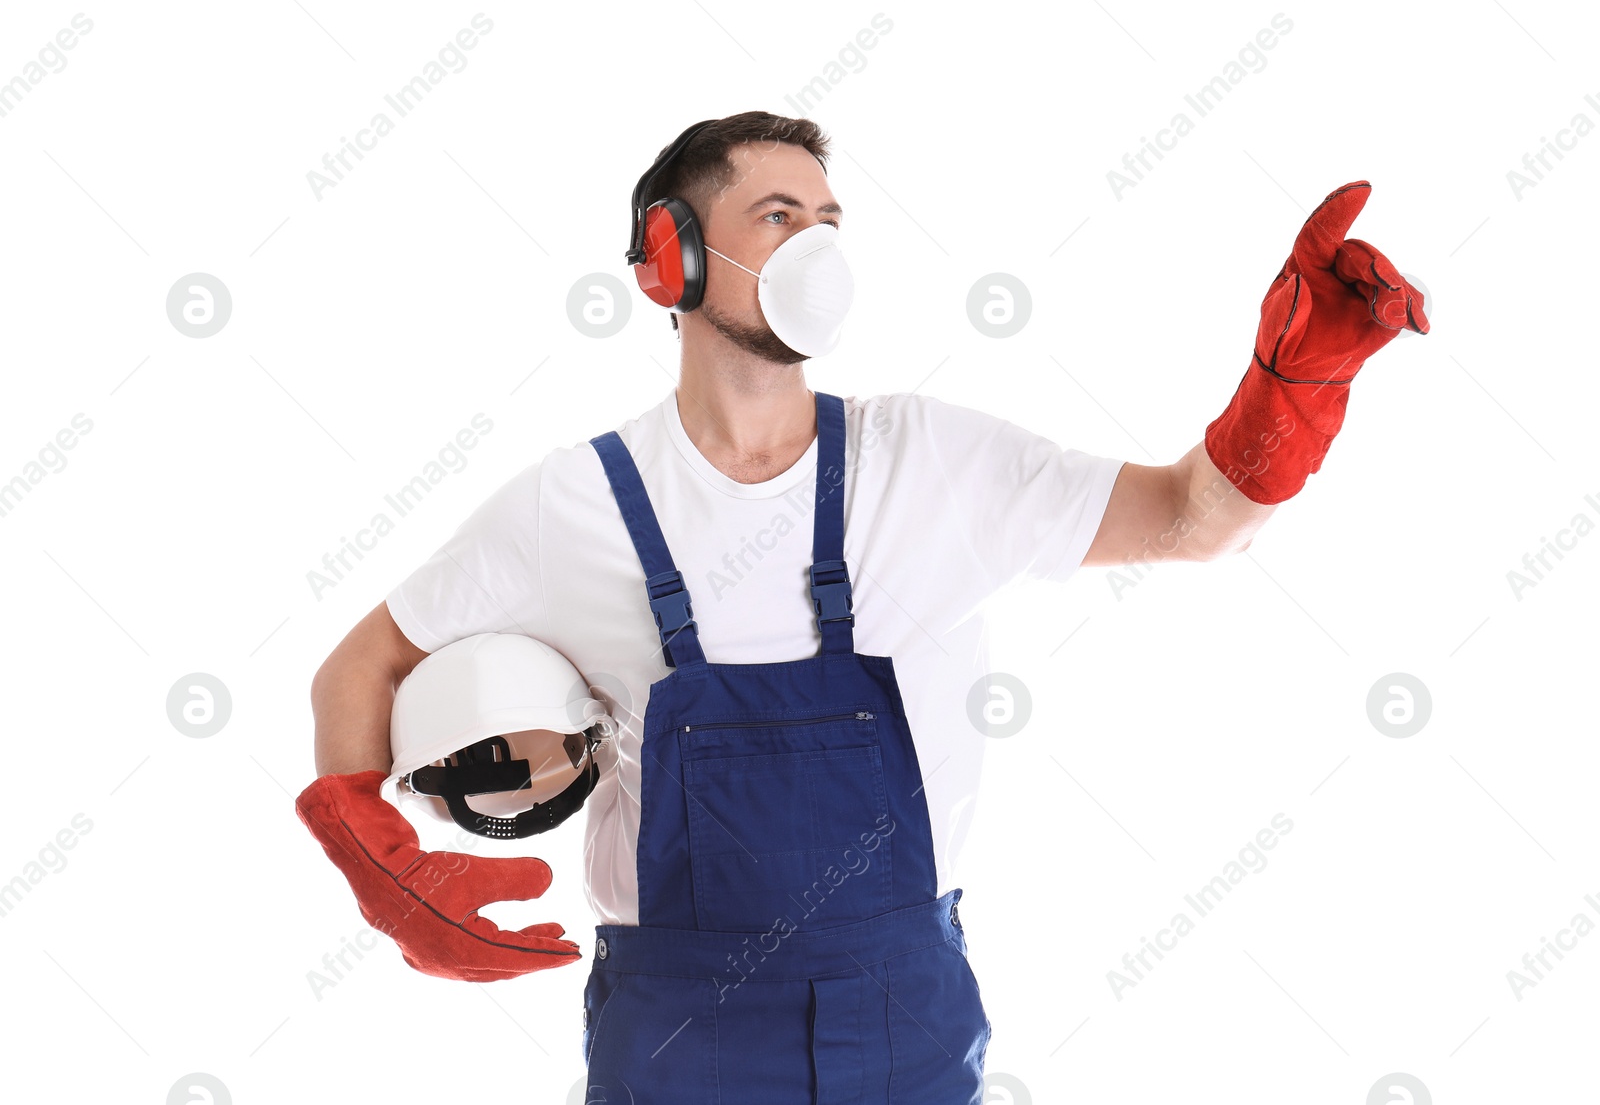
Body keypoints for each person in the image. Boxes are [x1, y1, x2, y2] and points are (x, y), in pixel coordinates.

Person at [294, 110, 1426, 1102]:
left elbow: (1192, 518)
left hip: (905, 1020)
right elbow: (361, 665)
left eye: (830, 219)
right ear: (666, 257)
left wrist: (1296, 384)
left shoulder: (927, 458)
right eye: (780, 215)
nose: (818, 246)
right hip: (679, 1032)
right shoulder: (573, 502)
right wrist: (382, 867)